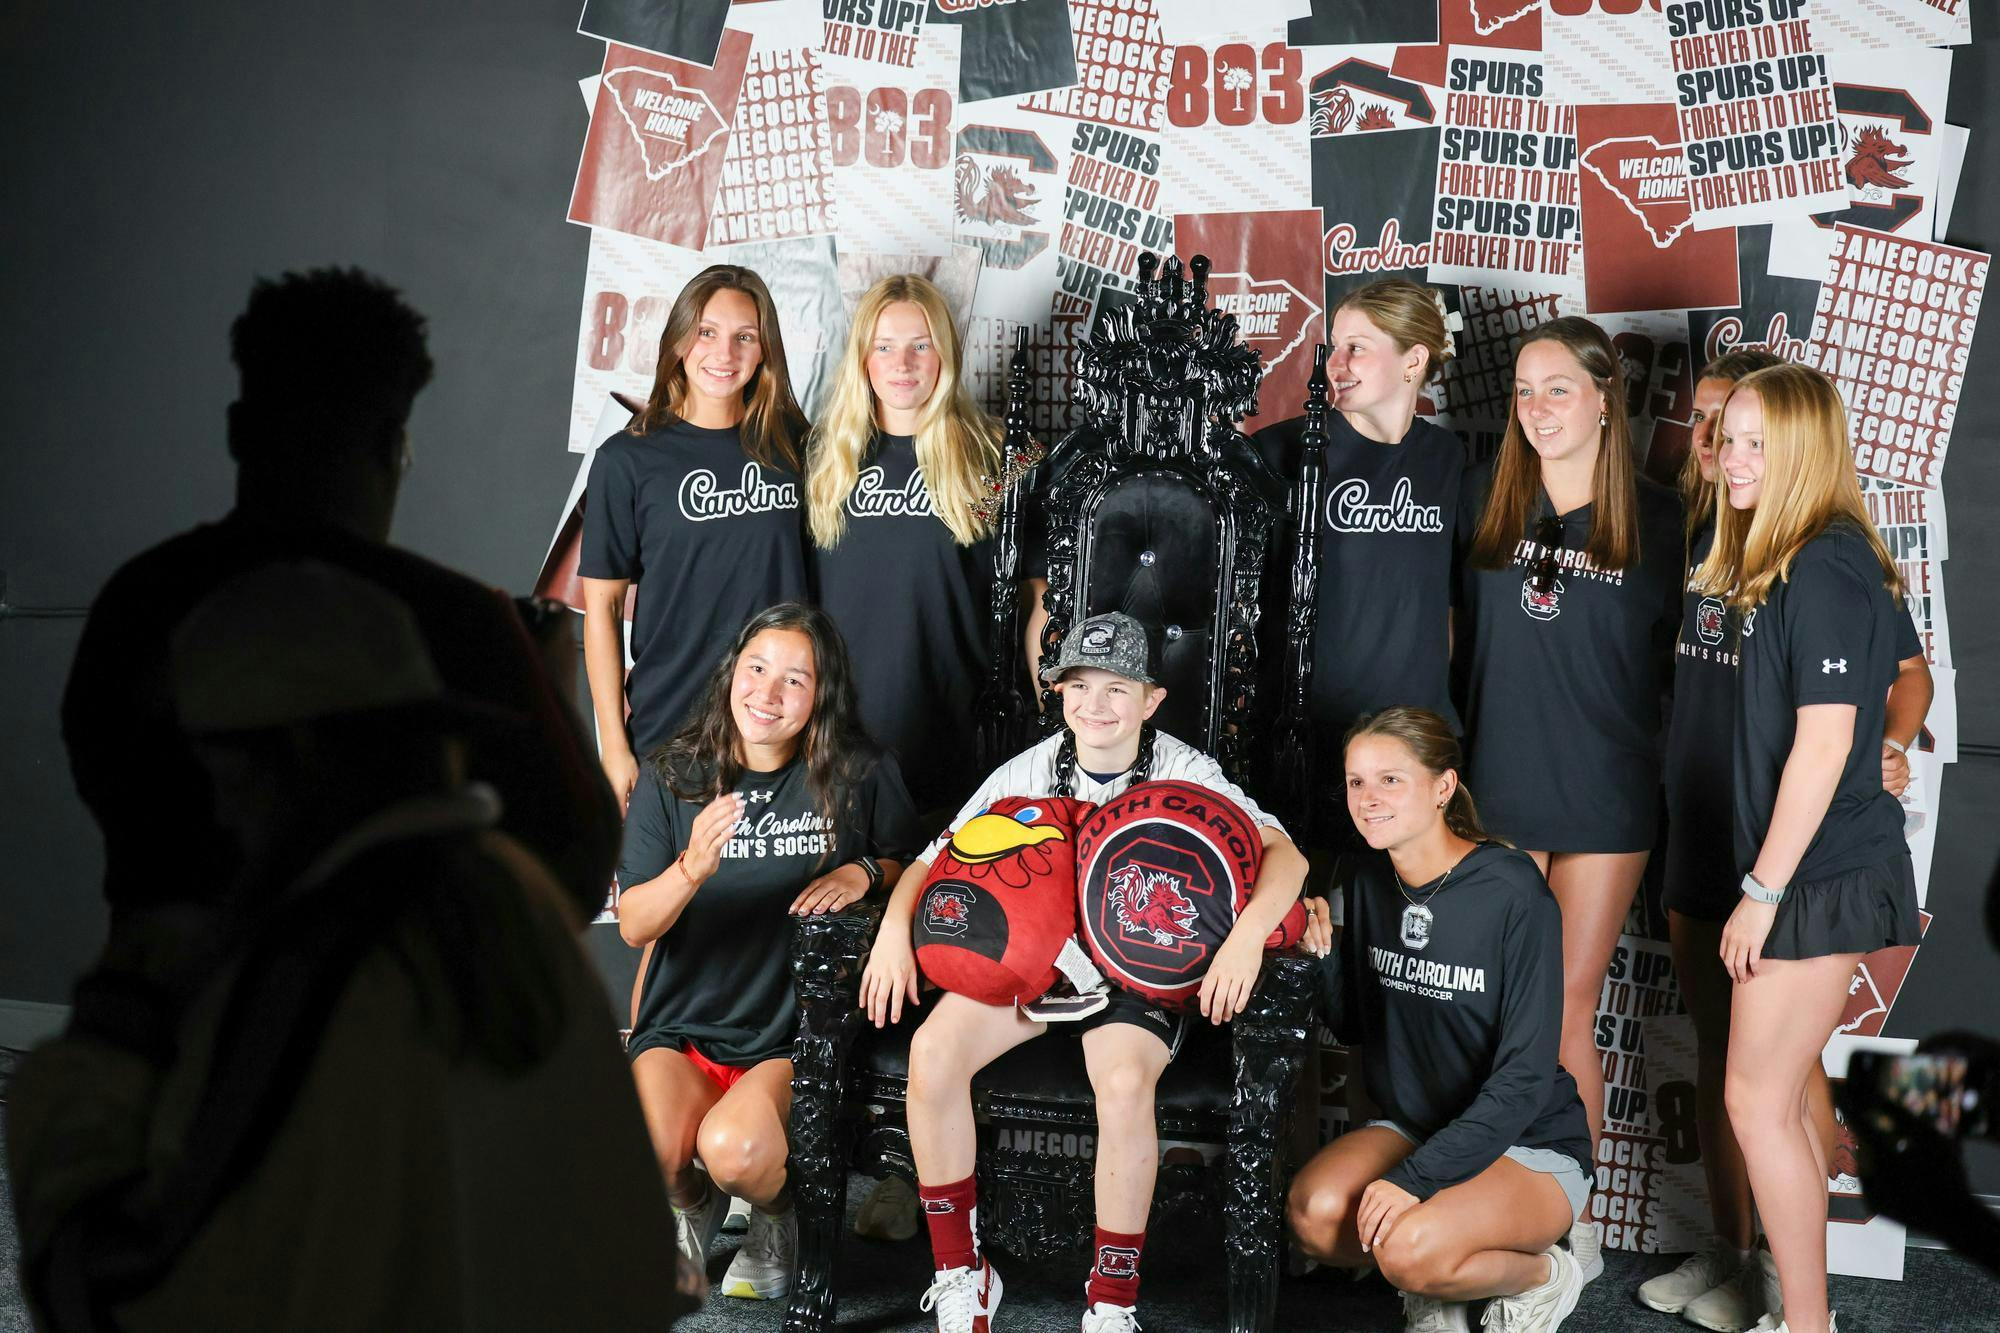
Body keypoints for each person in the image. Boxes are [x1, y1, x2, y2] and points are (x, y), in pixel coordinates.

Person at [12, 563, 690, 1332]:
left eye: (221, 767)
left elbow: (129, 1293)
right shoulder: (512, 893)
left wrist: (94, 1053)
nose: (213, 803)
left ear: (289, 756)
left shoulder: (320, 958)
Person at [60, 266, 619, 933]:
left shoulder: (142, 602)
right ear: (391, 447)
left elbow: (114, 793)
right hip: (391, 1026)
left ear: (239, 431)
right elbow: (576, 874)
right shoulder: (460, 625)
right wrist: (553, 685)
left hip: (160, 1018)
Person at [859, 611, 1321, 1333]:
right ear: (1059, 692)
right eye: (1079, 686)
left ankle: (1111, 1301)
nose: (1095, 705)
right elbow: (933, 856)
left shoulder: (1184, 768)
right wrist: (892, 929)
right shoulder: (1032, 768)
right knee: (932, 1051)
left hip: (1135, 972)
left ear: (1150, 699)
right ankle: (961, 1273)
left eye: (1116, 688)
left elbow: (1284, 854)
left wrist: (1248, 935)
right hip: (1041, 967)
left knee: (1124, 1079)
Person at [1641, 351, 1933, 1329]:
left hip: (1814, 874)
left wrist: (1760, 891)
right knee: (1765, 1104)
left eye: (1756, 441)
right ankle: (1799, 1318)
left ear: (1804, 449)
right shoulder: (1766, 549)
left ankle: (1802, 1322)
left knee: (1757, 1102)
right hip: (1786, 866)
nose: (1726, 454)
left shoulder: (1825, 562)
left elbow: (1822, 745)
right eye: (1726, 436)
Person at [1455, 315, 1683, 1281]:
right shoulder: (1484, 496)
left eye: (1560, 388)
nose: (1540, 407)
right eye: (1525, 389)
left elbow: (1709, 672)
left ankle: (1571, 1222)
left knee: (1563, 1014)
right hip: (1499, 782)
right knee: (1497, 1012)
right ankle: (1484, 1199)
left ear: (1603, 396)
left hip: (1604, 790)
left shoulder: (1666, 520)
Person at [619, 602, 921, 1303]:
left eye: (795, 679)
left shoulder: (856, 771)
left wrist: (867, 872)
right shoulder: (676, 773)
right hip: (682, 1024)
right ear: (731, 674)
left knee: (737, 1150)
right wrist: (691, 868)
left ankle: (777, 1215)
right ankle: (692, 1203)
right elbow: (634, 923)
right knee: (645, 1147)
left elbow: (919, 857)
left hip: (786, 1038)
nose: (768, 693)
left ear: (822, 693)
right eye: (756, 669)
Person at [1288, 707, 1592, 1333]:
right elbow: (1353, 1025)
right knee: (1313, 1216)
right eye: (1356, 782)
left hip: (1527, 1140)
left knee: (1405, 1247)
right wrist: (1320, 958)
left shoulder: (1513, 891)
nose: (1367, 800)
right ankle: (1433, 1284)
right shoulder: (1367, 876)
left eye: (1390, 780)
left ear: (1443, 788)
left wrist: (1413, 1180)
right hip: (1417, 1123)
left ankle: (1549, 1274)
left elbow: (1524, 1080)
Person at [580, 264, 810, 813]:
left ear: (764, 352)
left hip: (781, 727)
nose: (724, 353)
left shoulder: (799, 450)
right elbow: (603, 609)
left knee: (779, 899)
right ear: (680, 340)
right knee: (666, 894)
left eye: (744, 337)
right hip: (671, 724)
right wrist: (614, 744)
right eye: (706, 332)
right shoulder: (627, 459)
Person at [804, 273, 1001, 820]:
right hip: (839, 733)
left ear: (946, 353)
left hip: (956, 728)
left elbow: (1034, 599)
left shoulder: (995, 457)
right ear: (863, 358)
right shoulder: (820, 461)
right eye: (884, 347)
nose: (903, 364)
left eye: (921, 345)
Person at [1251, 278, 1464, 761]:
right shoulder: (1282, 451)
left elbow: (1443, 600)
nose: (1335, 364)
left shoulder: (1445, 458)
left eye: (1357, 348)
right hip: (1309, 729)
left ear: (1413, 361)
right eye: (1333, 346)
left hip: (1416, 732)